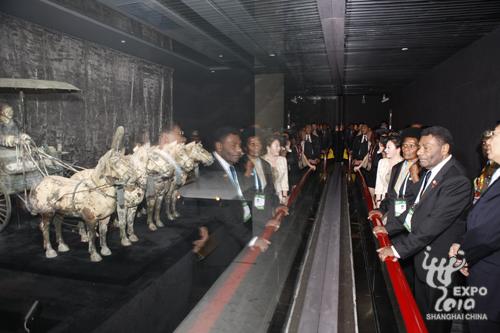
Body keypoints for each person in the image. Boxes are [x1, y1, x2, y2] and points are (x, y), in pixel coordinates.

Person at [376, 126, 472, 333]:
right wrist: (387, 228)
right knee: (419, 319)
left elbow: (431, 225)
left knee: (435, 323)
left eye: (426, 148)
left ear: (444, 149)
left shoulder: (456, 180)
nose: (419, 152)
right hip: (422, 260)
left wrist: (395, 250)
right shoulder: (430, 173)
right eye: (420, 147)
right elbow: (414, 210)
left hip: (438, 266)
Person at [449, 123, 500, 332]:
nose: (488, 140)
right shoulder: (494, 172)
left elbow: (490, 233)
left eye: (494, 135)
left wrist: (463, 253)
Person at [236, 128, 286, 237]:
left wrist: (277, 206)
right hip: (252, 223)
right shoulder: (239, 166)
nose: (256, 146)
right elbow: (244, 198)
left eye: (258, 143)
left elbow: (271, 190)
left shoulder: (265, 165)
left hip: (268, 215)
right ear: (245, 147)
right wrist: (262, 221)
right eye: (252, 144)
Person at [374, 133, 403, 207]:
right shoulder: (382, 162)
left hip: (398, 204)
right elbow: (379, 184)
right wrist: (378, 202)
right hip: (383, 202)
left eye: (389, 147)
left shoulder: (404, 165)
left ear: (398, 149)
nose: (385, 150)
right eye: (386, 147)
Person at [262, 135, 289, 204]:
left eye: (279, 146)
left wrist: (284, 196)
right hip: (266, 198)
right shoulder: (261, 161)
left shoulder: (283, 160)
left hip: (279, 196)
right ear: (268, 148)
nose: (279, 148)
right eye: (276, 146)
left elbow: (284, 180)